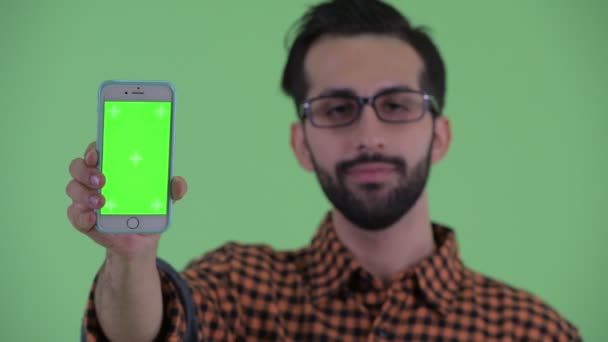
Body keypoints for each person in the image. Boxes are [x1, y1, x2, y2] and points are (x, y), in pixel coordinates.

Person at [67, 0, 581, 341]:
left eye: (397, 105)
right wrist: (132, 259)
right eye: (337, 108)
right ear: (302, 145)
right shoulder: (239, 288)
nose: (368, 134)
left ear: (439, 135)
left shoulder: (533, 330)